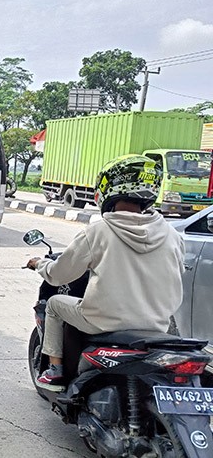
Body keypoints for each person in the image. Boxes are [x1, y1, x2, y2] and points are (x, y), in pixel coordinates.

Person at [25, 154, 184, 392]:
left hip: (103, 321)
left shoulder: (99, 231)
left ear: (107, 188)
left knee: (55, 303)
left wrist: (40, 265)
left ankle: (55, 371)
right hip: (155, 325)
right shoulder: (172, 235)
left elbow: (59, 275)